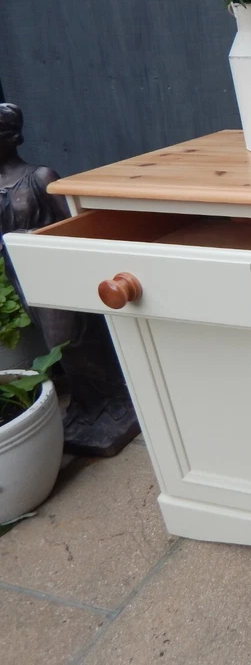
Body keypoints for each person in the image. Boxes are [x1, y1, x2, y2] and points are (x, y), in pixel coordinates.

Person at [0, 103, 138, 455]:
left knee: (73, 337)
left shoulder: (40, 176)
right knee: (54, 344)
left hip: (54, 268)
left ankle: (116, 399)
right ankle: (87, 406)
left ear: (12, 137)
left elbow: (72, 227)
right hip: (21, 272)